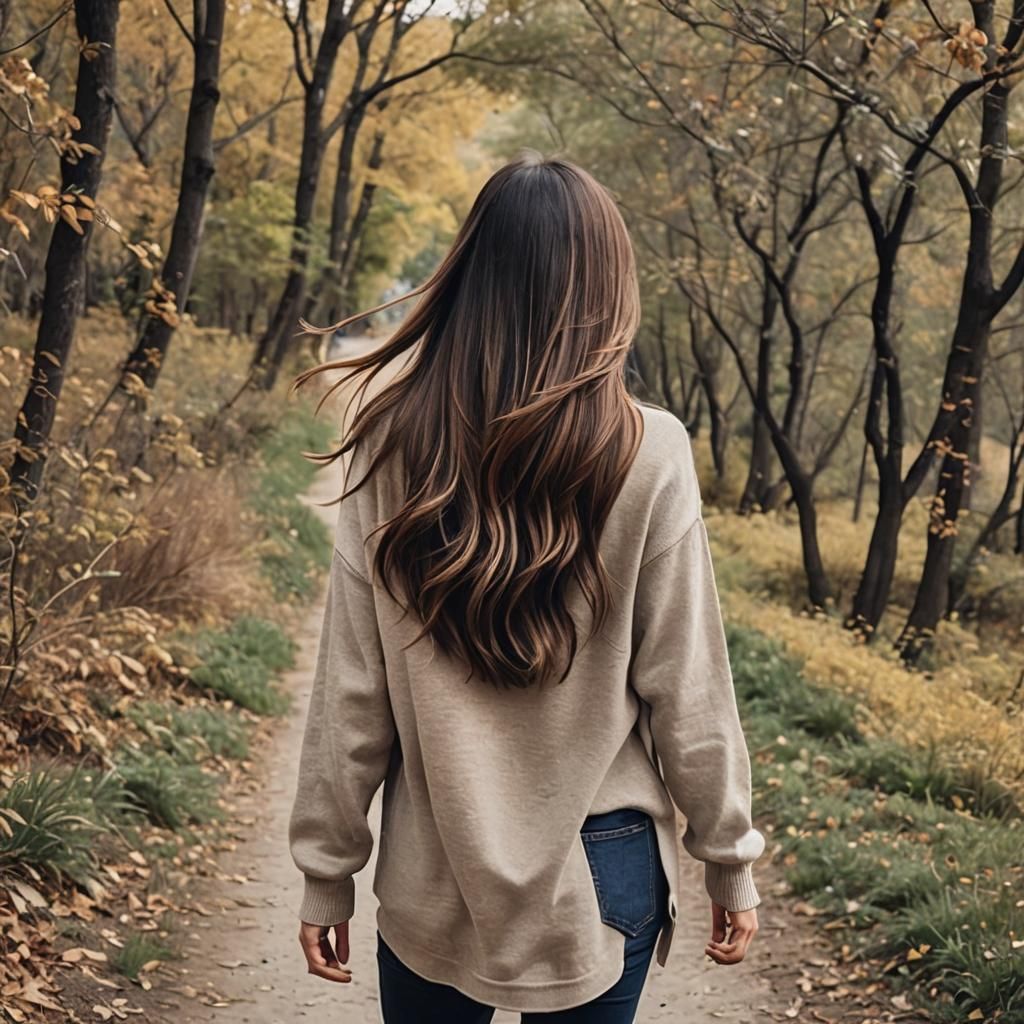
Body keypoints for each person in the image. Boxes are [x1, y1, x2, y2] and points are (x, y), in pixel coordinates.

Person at [287, 152, 765, 1023]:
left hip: (437, 859)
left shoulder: (391, 447)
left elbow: (350, 695)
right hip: (604, 860)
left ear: (471, 278)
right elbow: (688, 685)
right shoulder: (650, 452)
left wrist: (328, 872)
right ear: (606, 291)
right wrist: (727, 853)